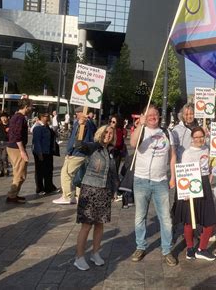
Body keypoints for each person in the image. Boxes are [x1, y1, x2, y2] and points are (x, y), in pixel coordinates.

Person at [130, 106, 177, 267]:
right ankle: (140, 246)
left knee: (166, 219)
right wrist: (140, 125)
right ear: (144, 116)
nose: (152, 117)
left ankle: (167, 250)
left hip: (161, 181)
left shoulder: (166, 132)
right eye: (149, 115)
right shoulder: (141, 130)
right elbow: (133, 143)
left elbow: (173, 156)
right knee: (140, 217)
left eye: (155, 114)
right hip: (141, 180)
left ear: (159, 116)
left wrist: (173, 177)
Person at [73, 125, 120, 270]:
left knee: (100, 224)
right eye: (106, 132)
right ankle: (79, 257)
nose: (108, 135)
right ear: (100, 132)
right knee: (86, 225)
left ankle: (95, 253)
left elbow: (113, 173)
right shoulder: (93, 146)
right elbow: (79, 146)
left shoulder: (111, 151)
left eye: (111, 133)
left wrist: (114, 190)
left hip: (104, 191)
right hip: (90, 190)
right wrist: (80, 127)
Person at [173, 127, 216, 261]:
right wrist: (185, 191)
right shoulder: (187, 153)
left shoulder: (207, 149)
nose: (199, 139)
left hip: (204, 184)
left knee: (209, 219)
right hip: (192, 185)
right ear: (192, 138)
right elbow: (184, 173)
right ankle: (190, 247)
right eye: (196, 137)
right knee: (189, 220)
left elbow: (210, 165)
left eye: (201, 136)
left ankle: (201, 249)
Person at [53, 106, 97, 205]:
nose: (76, 114)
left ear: (83, 113)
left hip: (77, 152)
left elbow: (75, 139)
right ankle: (78, 195)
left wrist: (69, 151)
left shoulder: (82, 123)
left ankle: (66, 196)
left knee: (66, 173)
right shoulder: (90, 122)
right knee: (79, 174)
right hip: (85, 152)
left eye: (78, 112)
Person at [6, 98, 33, 204]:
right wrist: (22, 151)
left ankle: (14, 194)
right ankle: (12, 195)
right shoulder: (20, 118)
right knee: (20, 173)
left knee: (19, 172)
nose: (32, 108)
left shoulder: (17, 116)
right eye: (31, 106)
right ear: (26, 107)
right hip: (16, 148)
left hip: (13, 147)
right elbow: (17, 136)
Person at [32, 112, 58, 195]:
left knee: (49, 170)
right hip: (41, 152)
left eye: (48, 116)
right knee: (40, 171)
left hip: (48, 151)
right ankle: (39, 188)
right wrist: (39, 153)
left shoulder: (47, 127)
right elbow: (37, 142)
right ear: (41, 117)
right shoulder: (37, 128)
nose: (47, 118)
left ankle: (49, 187)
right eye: (45, 116)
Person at [0, 112, 10, 177]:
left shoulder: (10, 125)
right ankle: (0, 171)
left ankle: (6, 170)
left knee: (4, 157)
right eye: (2, 118)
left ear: (7, 118)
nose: (3, 119)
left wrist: (9, 131)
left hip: (7, 143)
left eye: (4, 117)